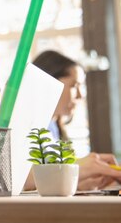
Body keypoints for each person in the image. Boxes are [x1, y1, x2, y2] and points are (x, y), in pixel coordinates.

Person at [30, 50, 121, 191]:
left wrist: (84, 185)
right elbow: (23, 180)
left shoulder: (55, 127)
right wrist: (76, 167)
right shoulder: (28, 128)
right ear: (50, 81)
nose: (80, 95)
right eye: (74, 85)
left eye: (81, 86)